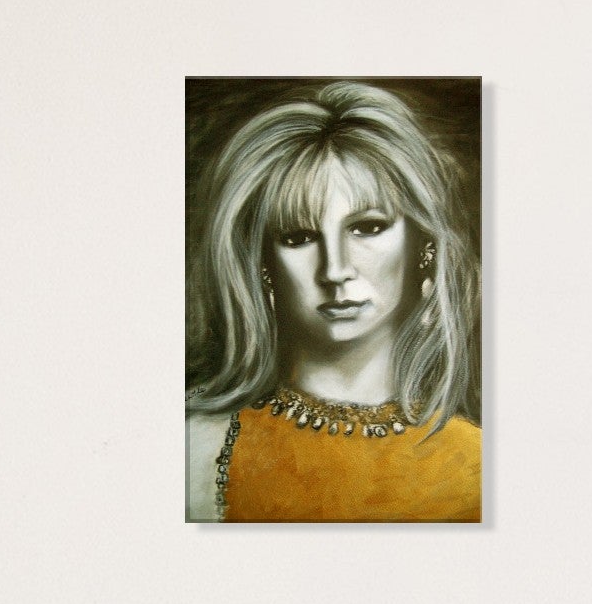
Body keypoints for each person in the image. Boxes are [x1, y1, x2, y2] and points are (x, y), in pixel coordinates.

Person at [185, 81, 481, 522]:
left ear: (424, 246)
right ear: (263, 262)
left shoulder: (480, 464)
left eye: (368, 228)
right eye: (298, 237)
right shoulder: (194, 446)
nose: (335, 269)